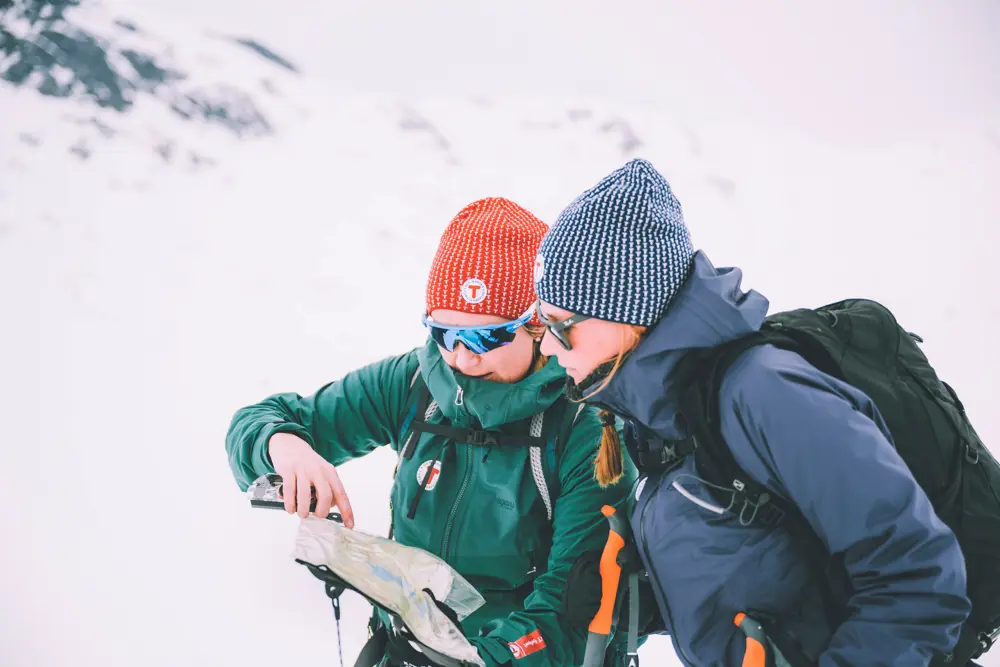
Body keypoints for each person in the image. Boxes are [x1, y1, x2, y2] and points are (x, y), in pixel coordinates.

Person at [531, 159, 973, 666]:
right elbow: (772, 565)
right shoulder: (663, 407)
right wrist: (648, 600)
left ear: (630, 314)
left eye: (561, 323)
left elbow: (919, 576)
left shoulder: (767, 395)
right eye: (539, 318)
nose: (546, 345)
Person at [226, 197, 635, 667]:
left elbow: (573, 608)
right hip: (402, 652)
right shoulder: (417, 383)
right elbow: (259, 420)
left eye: (487, 337)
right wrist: (285, 445)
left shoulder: (589, 426)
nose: (461, 358)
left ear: (538, 325)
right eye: (444, 333)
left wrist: (470, 658)